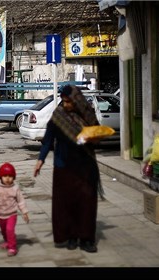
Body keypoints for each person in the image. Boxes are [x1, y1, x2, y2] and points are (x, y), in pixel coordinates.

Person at [33, 85, 104, 253]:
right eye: (63, 101)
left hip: (85, 167)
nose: (66, 105)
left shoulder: (88, 115)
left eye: (68, 101)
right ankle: (71, 237)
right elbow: (48, 139)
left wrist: (93, 138)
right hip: (63, 167)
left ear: (77, 101)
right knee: (67, 203)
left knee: (86, 203)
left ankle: (86, 239)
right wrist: (40, 160)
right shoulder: (58, 116)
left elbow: (97, 134)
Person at [0, 162, 29, 257]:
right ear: (0, 177)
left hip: (12, 214)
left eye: (10, 176)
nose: (7, 178)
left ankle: (12, 247)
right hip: (0, 215)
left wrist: (25, 212)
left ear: (13, 177)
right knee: (4, 231)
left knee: (9, 229)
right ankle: (7, 241)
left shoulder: (15, 188)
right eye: (5, 176)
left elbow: (20, 201)